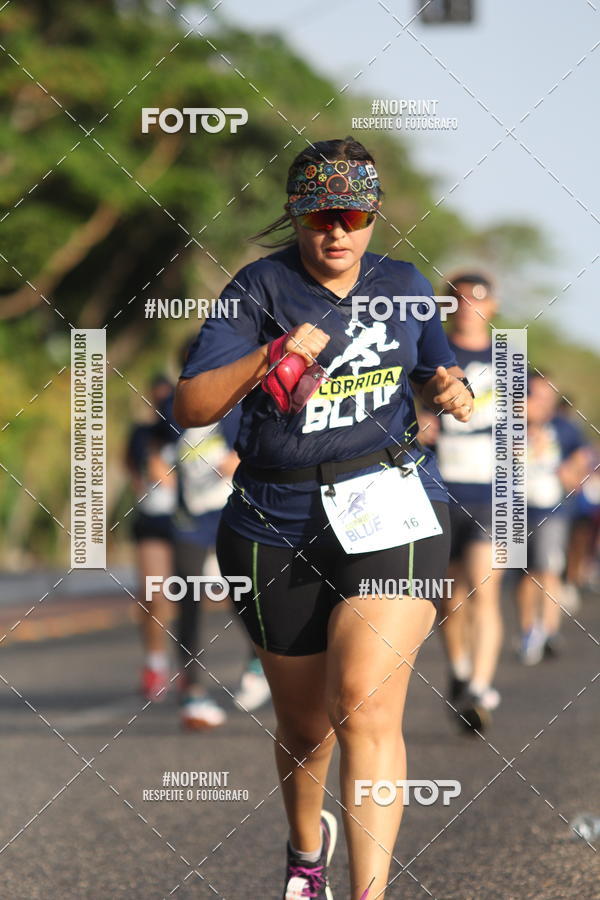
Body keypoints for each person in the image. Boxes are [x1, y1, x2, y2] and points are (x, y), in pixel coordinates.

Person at [174, 137, 474, 900]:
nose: (336, 232)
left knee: (364, 703)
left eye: (353, 215)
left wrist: (451, 390)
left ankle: (370, 893)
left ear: (374, 216)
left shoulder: (404, 285)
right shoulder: (258, 288)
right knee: (306, 727)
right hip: (272, 515)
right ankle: (308, 853)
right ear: (297, 216)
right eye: (319, 216)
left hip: (390, 503)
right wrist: (270, 354)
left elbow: (438, 370)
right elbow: (192, 408)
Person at [171, 344, 271, 730]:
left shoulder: (237, 406)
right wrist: (151, 462)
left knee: (243, 595)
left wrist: (243, 459)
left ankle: (257, 663)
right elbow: (153, 444)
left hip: (233, 515)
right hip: (189, 522)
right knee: (189, 599)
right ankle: (192, 689)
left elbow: (265, 444)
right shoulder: (174, 410)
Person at [434, 273, 503, 732]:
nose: (469, 306)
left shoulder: (509, 358)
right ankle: (459, 671)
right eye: (459, 299)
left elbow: (526, 417)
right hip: (440, 487)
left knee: (484, 589)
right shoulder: (434, 351)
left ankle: (480, 687)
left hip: (492, 493)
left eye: (478, 299)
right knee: (448, 599)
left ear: (492, 306)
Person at [517, 371, 590, 664]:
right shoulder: (510, 427)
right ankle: (527, 631)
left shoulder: (564, 427)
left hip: (553, 509)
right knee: (526, 573)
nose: (543, 402)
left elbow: (581, 459)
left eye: (549, 396)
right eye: (537, 395)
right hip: (517, 508)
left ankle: (547, 631)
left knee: (548, 568)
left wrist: (570, 472)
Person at [125, 375, 177, 701]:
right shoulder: (141, 435)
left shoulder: (191, 432)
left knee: (196, 596)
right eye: (155, 398)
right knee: (153, 594)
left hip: (191, 522)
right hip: (153, 521)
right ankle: (155, 664)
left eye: (166, 398)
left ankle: (191, 668)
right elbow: (131, 468)